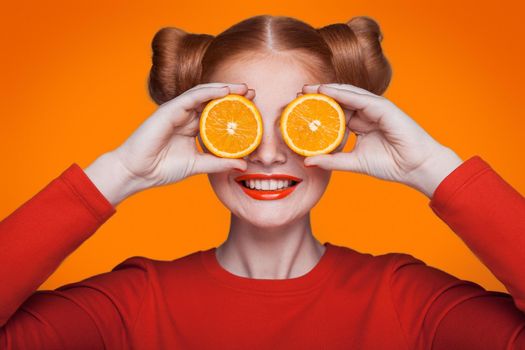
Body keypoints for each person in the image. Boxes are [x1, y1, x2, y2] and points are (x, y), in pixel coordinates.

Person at [0, 14, 524, 349]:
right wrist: (120, 171)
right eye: (238, 124)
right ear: (201, 133)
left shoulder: (406, 298)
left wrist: (431, 168)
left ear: (340, 129)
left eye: (300, 124)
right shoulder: (135, 302)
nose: (269, 155)